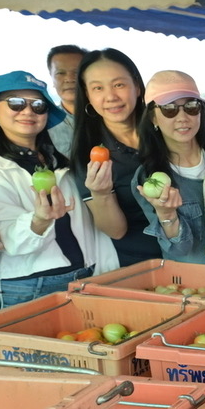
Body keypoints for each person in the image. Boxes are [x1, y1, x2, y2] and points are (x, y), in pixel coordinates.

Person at [0, 71, 117, 308]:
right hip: (27, 287)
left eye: (38, 105)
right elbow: (1, 237)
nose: (27, 111)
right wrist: (39, 221)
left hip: (85, 278)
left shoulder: (60, 163)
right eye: (15, 103)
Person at [133, 70, 205, 266]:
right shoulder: (149, 178)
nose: (182, 117)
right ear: (153, 117)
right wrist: (166, 214)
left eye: (191, 106)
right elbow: (181, 250)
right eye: (169, 108)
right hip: (198, 285)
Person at [70, 48, 158, 266]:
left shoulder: (166, 134)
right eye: (98, 88)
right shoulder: (90, 156)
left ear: (137, 87)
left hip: (192, 255)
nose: (111, 97)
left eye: (119, 84)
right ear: (87, 95)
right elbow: (116, 231)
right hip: (138, 264)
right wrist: (101, 194)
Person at [46, 44, 86, 156]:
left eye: (77, 72)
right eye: (60, 73)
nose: (69, 79)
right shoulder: (43, 122)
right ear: (52, 78)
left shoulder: (109, 114)